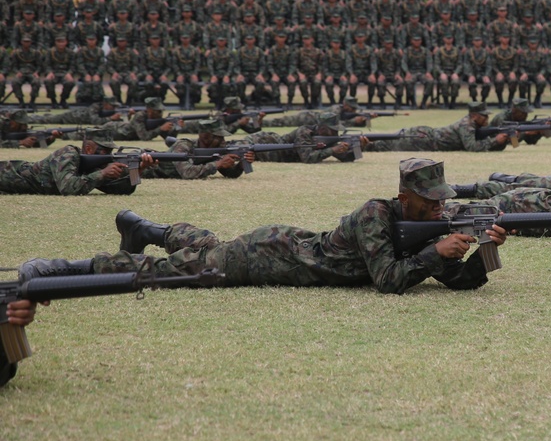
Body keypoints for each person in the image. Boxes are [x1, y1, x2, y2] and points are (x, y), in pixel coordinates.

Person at [19, 159, 506, 295]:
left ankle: (144, 225)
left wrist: (479, 256)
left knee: (209, 245)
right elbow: (390, 281)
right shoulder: (375, 215)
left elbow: (454, 280)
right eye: (430, 202)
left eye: (443, 202)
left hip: (285, 243)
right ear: (405, 198)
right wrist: (435, 253)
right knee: (175, 271)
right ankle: (64, 268)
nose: (441, 210)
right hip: (268, 255)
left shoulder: (420, 229)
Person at [0, 128, 153, 195]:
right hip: (8, 174)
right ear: (88, 148)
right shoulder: (67, 153)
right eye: (104, 151)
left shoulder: (93, 166)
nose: (108, 155)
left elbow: (120, 191)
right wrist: (102, 174)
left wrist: (139, 170)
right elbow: (68, 189)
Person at [365, 102, 509, 152]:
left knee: (391, 141)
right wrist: (495, 141)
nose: (487, 119)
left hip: (425, 137)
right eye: (484, 115)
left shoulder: (471, 123)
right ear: (475, 115)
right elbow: (472, 147)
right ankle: (364, 144)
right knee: (388, 144)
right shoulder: (466, 125)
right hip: (423, 140)